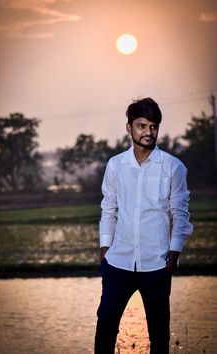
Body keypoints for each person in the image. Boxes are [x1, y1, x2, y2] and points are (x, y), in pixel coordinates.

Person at [94, 97, 193, 354]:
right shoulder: (116, 165)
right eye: (141, 126)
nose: (148, 132)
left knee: (159, 335)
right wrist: (105, 249)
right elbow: (109, 208)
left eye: (153, 126)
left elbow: (180, 214)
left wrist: (173, 255)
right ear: (129, 127)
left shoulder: (173, 167)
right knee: (105, 327)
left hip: (157, 264)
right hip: (118, 263)